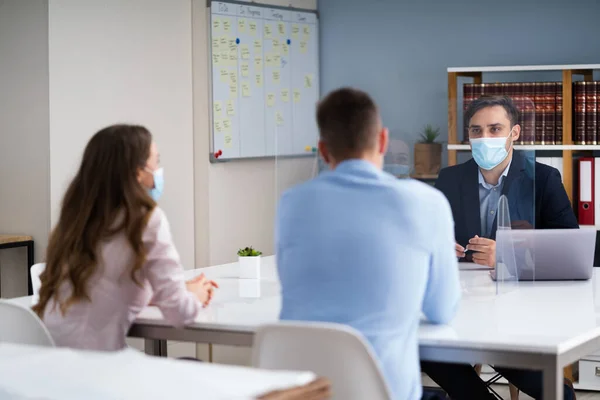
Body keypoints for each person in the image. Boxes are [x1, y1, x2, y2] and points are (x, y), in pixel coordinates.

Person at [276, 87, 461, 400]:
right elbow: (442, 310)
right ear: (384, 140)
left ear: (323, 150)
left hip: (305, 392)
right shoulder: (427, 203)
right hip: (383, 392)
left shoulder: (291, 203)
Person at [422, 96, 578, 399]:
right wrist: (439, 247)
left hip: (520, 309)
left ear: (514, 133)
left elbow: (571, 251)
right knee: (423, 345)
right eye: (476, 131)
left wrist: (507, 255)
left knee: (551, 391)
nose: (484, 138)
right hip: (462, 305)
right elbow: (430, 238)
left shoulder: (543, 178)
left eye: (495, 129)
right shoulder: (450, 178)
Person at [33, 124, 217, 351]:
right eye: (155, 162)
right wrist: (196, 296)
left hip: (50, 358)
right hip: (93, 365)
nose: (159, 170)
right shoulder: (145, 220)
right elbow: (180, 314)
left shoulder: (77, 217)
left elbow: (104, 289)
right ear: (139, 172)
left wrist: (175, 290)